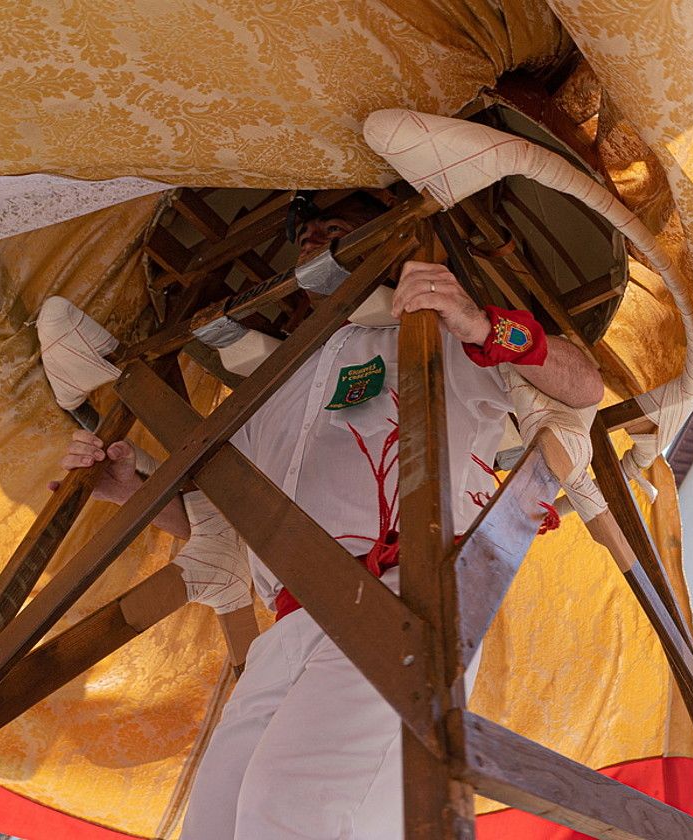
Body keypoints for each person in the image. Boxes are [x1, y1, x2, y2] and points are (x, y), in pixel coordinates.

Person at [55, 192, 604, 840]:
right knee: (216, 827)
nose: (313, 241)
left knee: (291, 818)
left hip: (401, 597)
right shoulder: (263, 390)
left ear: (386, 245)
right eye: (307, 234)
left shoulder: (436, 337)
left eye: (336, 230)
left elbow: (584, 384)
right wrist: (130, 489)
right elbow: (223, 527)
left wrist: (480, 323)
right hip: (286, 620)